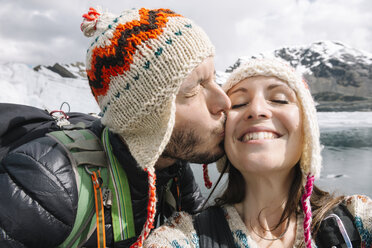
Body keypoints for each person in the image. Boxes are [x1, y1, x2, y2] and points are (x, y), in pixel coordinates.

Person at [0, 7, 231, 248]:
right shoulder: (52, 184)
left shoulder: (172, 169)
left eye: (214, 79)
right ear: (147, 115)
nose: (224, 102)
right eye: (194, 88)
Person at [143, 58, 372, 248]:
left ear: (307, 130)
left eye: (279, 99)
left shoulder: (356, 217)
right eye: (239, 104)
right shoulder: (184, 236)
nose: (256, 110)